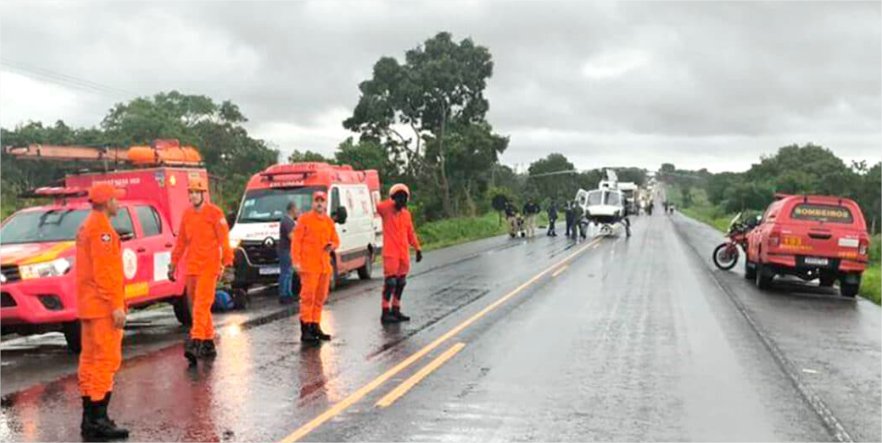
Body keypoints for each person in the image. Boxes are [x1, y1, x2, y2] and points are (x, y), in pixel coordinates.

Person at [76, 183, 130, 440]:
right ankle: (99, 419)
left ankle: (90, 418)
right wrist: (115, 306)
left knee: (89, 361)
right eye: (115, 200)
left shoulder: (89, 224)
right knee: (106, 361)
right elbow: (105, 273)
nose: (118, 203)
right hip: (101, 307)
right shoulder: (101, 231)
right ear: (106, 202)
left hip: (89, 305)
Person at [169, 177, 233, 365]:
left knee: (201, 305)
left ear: (203, 194)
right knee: (196, 304)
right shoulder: (187, 215)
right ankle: (208, 342)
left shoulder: (215, 213)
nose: (194, 195)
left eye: (197, 192)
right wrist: (173, 263)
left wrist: (228, 263)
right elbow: (181, 242)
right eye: (191, 192)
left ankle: (195, 342)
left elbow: (224, 240)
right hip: (193, 267)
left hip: (209, 267)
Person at [291, 191, 339, 343]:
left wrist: (332, 245)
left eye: (322, 201)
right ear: (313, 203)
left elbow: (336, 240)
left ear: (325, 204)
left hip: (324, 266)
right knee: (308, 298)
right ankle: (306, 329)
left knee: (320, 298)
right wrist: (296, 261)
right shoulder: (304, 219)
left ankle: (315, 325)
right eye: (317, 200)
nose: (319, 203)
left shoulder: (328, 221)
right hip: (309, 266)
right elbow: (296, 241)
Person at [376, 183, 423, 324]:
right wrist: (392, 200)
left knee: (401, 282)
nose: (401, 200)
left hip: (403, 253)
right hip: (391, 253)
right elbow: (379, 206)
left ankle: (396, 309)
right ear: (393, 198)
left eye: (403, 197)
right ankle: (385, 311)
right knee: (390, 282)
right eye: (398, 197)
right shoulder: (387, 210)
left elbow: (411, 233)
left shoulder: (406, 215)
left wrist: (418, 248)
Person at [278, 201, 298, 305]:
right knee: (286, 272)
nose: (297, 211)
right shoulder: (287, 221)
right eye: (296, 209)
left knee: (289, 272)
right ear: (292, 209)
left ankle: (289, 294)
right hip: (286, 250)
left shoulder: (290, 221)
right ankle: (284, 294)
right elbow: (292, 237)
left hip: (288, 249)